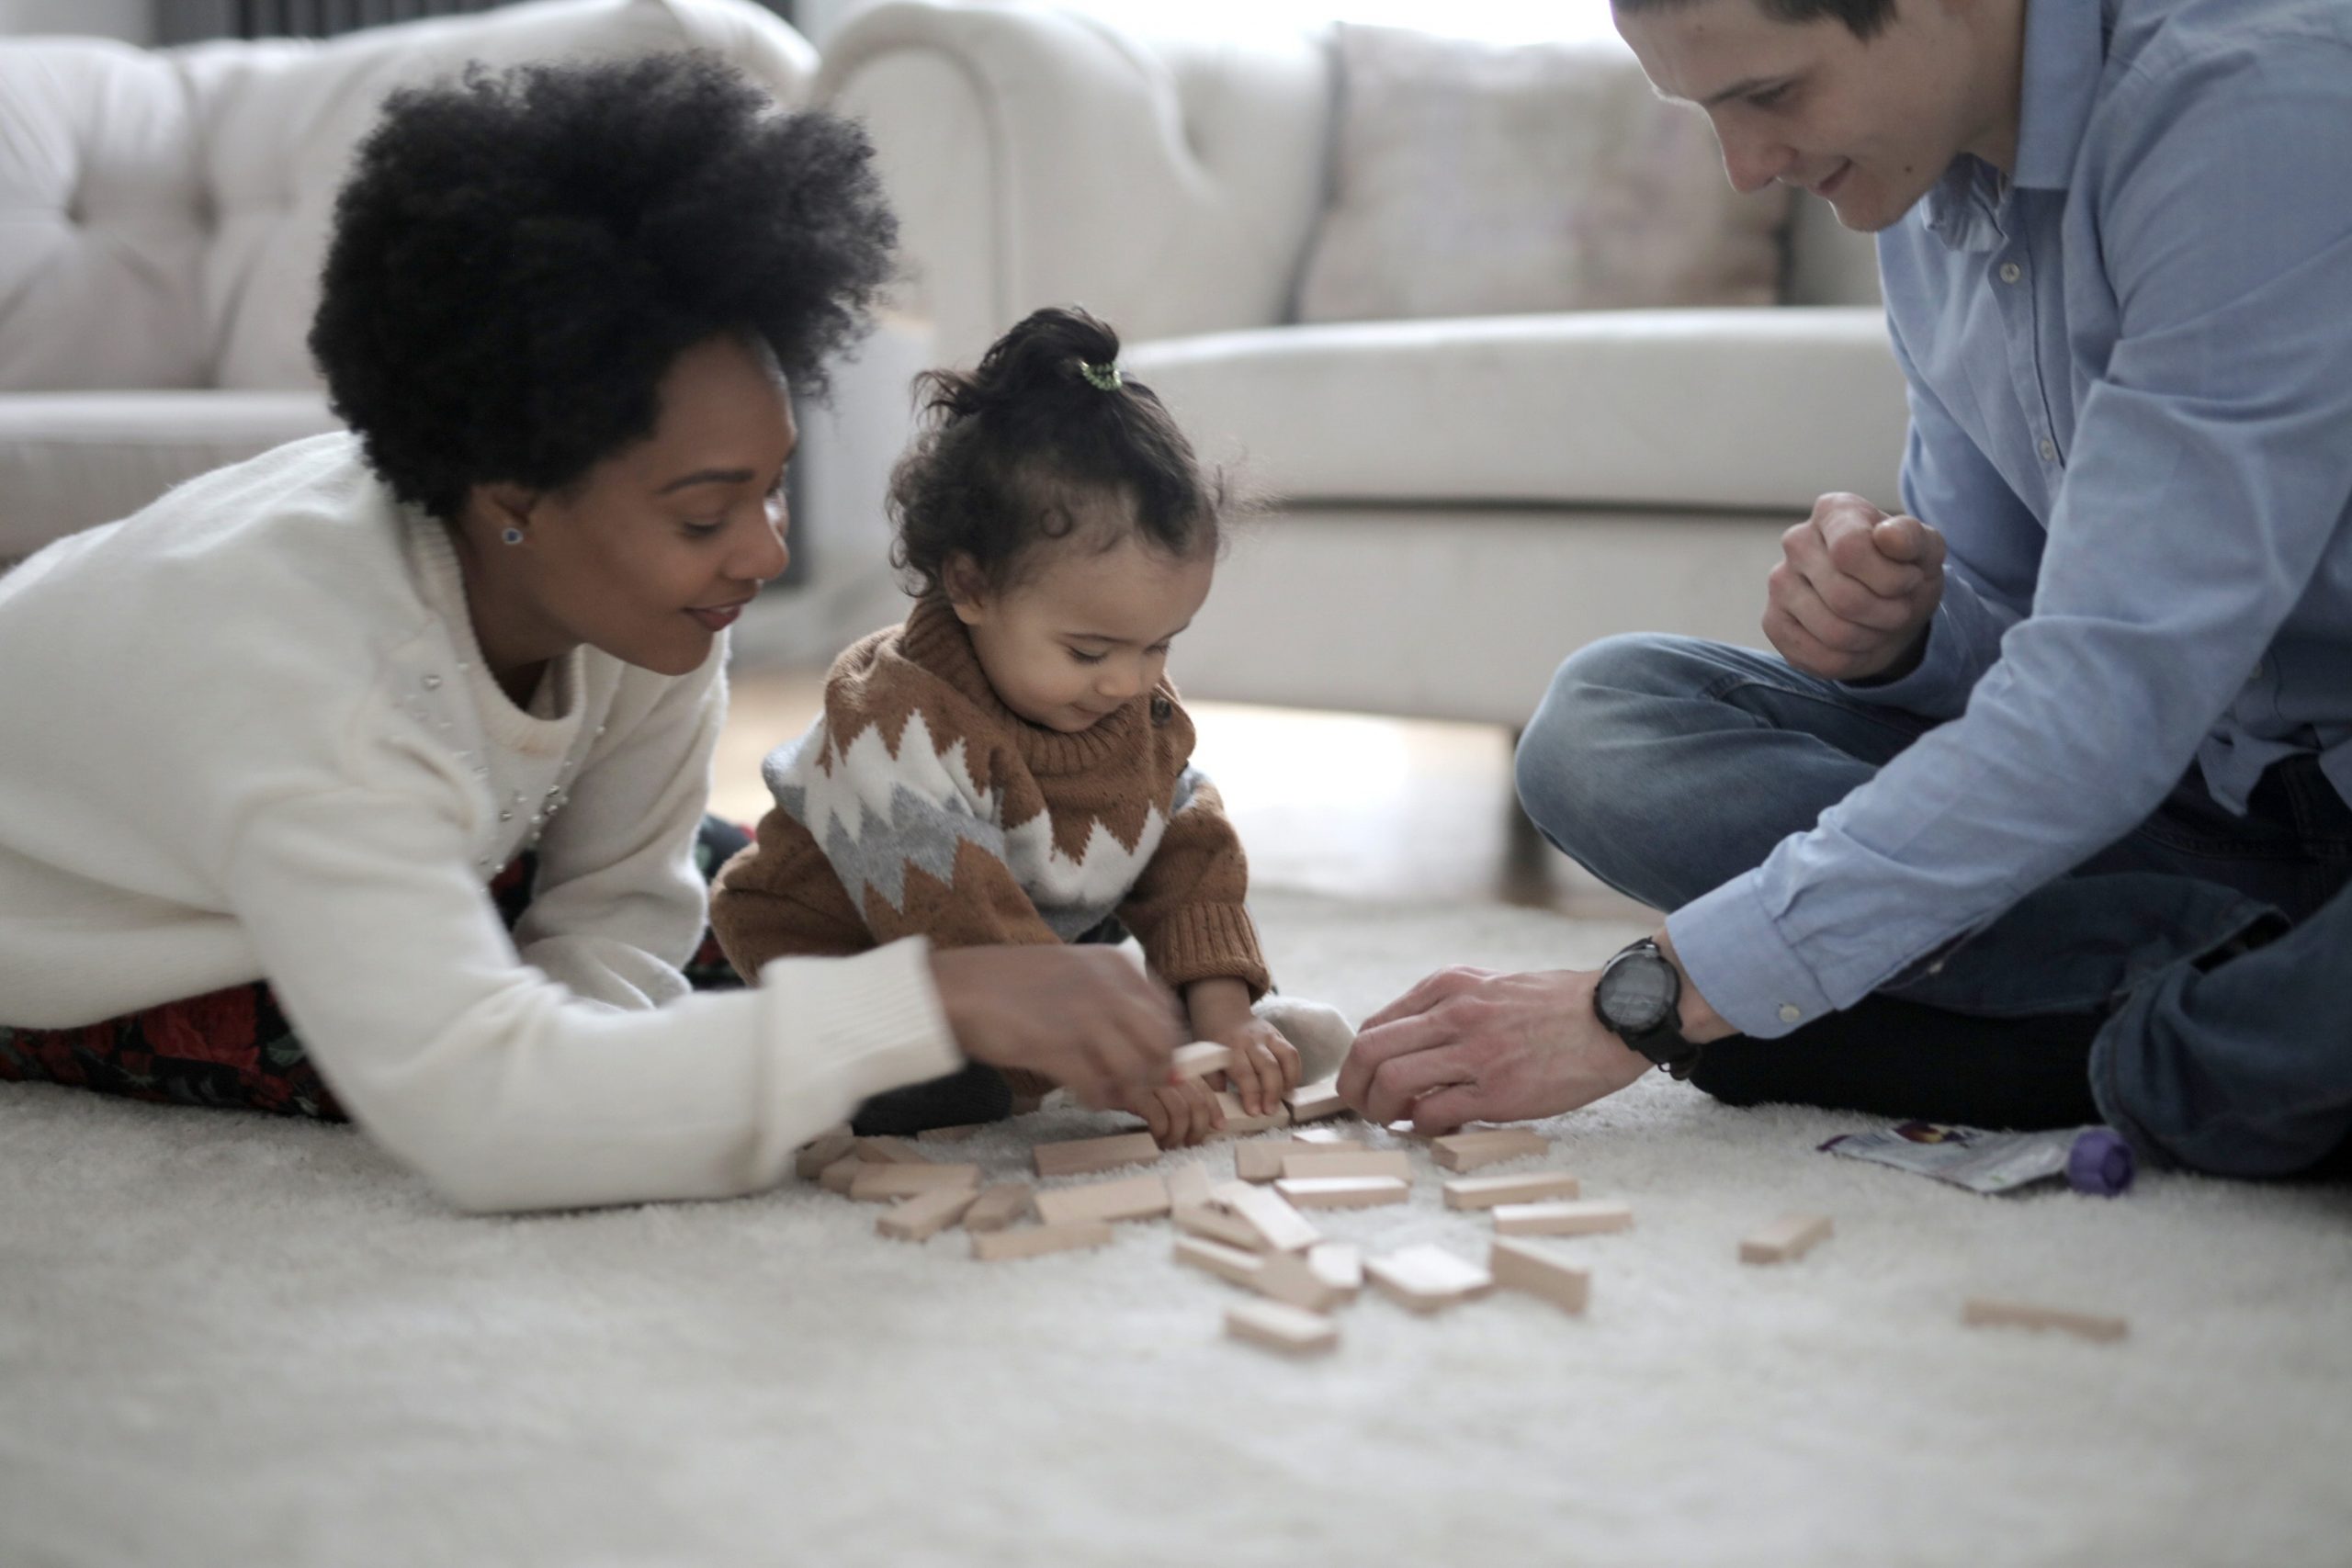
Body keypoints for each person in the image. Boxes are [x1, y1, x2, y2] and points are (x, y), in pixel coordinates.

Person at [0, 56, 1185, 1213]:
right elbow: (487, 1119)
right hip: (95, 925)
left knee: (790, 888)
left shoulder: (639, 594)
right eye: (707, 513)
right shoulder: (322, 690)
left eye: (773, 489)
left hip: (393, 820)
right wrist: (930, 1003)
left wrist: (634, 1053)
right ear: (510, 496)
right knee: (414, 1048)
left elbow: (623, 907)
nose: (764, 553)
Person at [1340, 0, 2352, 1179]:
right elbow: (2023, 635)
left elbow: (2104, 702)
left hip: (2201, 758)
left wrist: (1651, 999)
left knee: (2279, 1030)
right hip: (2202, 805)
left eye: (1768, 95)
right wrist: (1901, 636)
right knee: (1606, 719)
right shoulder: (1921, 185)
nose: (1747, 168)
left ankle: (2106, 1053)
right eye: (1708, 112)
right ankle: (2212, 1014)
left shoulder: (2254, 104)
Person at [712, 307, 1349, 1147]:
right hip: (855, 957)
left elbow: (1189, 845)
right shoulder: (895, 721)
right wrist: (1132, 1065)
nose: (1130, 679)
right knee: (936, 1093)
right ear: (970, 587)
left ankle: (1196, 1016)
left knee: (1169, 839)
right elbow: (969, 943)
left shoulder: (1128, 702)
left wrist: (1222, 1006)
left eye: (1159, 643)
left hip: (1017, 932)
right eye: (1090, 649)